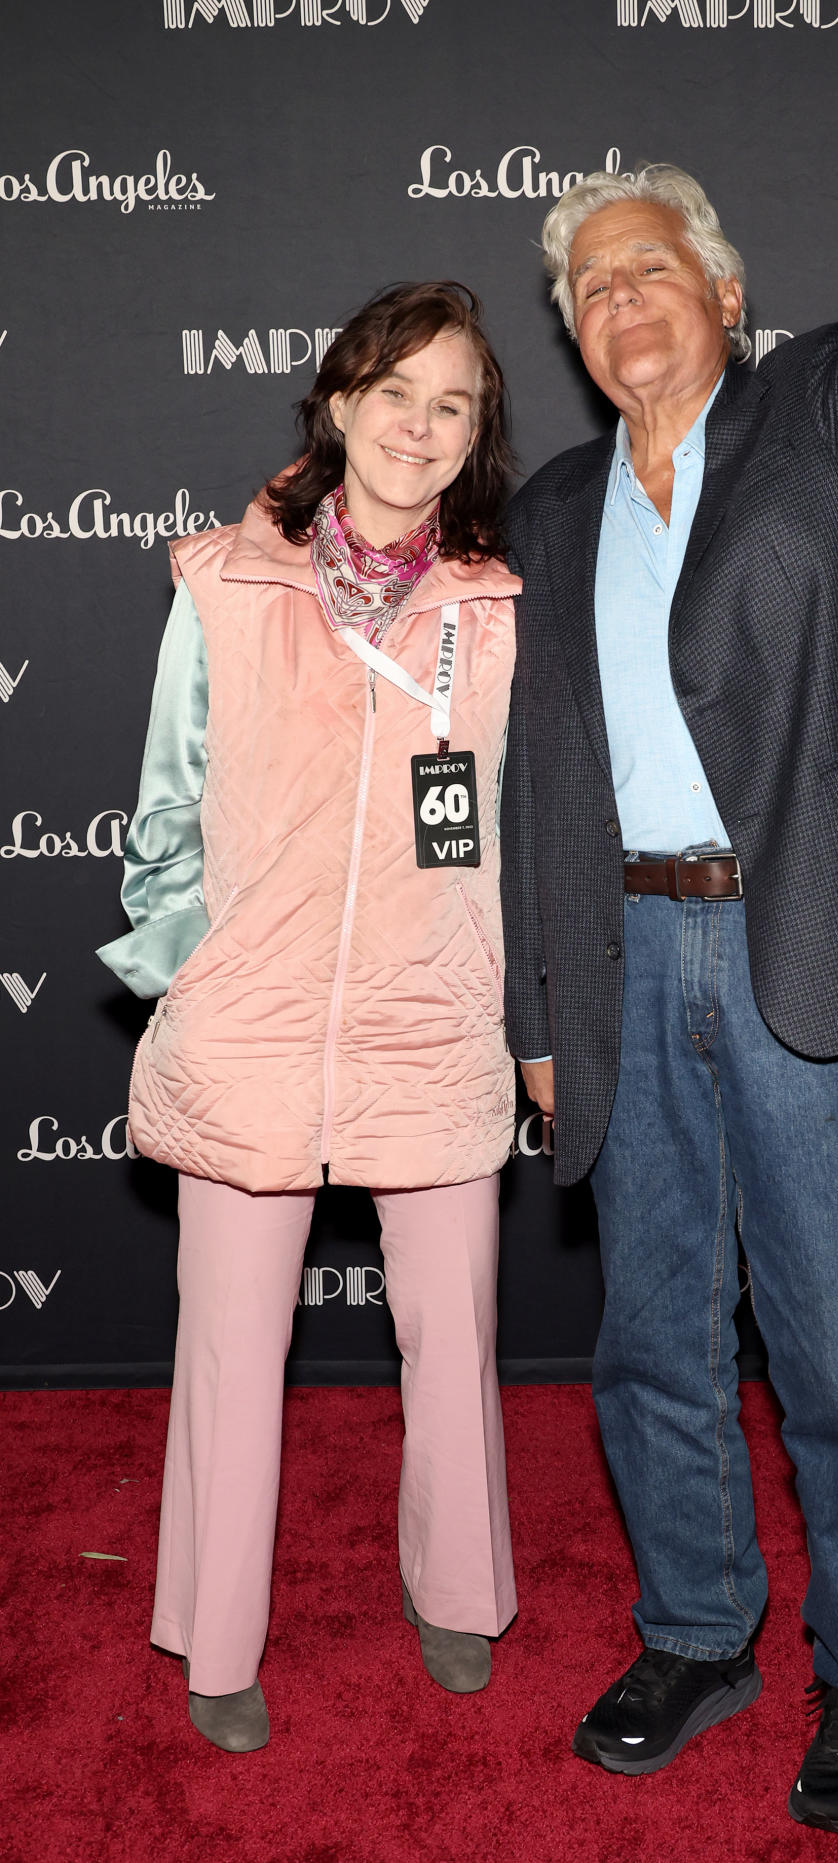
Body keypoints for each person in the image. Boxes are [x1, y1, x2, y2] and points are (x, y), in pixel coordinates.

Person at [499, 84, 838, 1833]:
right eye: (588, 286)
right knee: (652, 1330)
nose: (620, 303)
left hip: (801, 934)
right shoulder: (552, 509)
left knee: (833, 1337)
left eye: (649, 269)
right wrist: (537, 1011)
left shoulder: (820, 407)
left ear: (726, 295)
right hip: (625, 951)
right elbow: (534, 783)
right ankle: (697, 1633)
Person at [98, 282, 520, 1753]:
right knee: (225, 1347)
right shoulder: (223, 580)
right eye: (394, 392)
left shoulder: (500, 604)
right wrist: (190, 978)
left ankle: (458, 1594)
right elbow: (163, 810)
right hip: (252, 1028)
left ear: (475, 437)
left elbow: (518, 830)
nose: (418, 426)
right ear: (338, 403)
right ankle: (214, 1638)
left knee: (455, 1338)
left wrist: (506, 1000)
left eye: (451, 403)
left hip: (435, 1020)